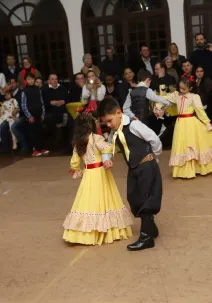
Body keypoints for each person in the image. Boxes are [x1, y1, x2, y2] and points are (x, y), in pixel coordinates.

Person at [98, 98, 163, 251]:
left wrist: (153, 157)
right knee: (134, 197)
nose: (108, 125)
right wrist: (106, 159)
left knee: (147, 198)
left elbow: (153, 139)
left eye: (109, 121)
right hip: (134, 169)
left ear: (119, 113)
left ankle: (146, 237)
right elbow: (108, 147)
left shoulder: (134, 125)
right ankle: (151, 228)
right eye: (105, 123)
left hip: (146, 165)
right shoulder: (114, 133)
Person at [63, 108, 133, 245]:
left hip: (89, 174)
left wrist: (76, 170)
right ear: (92, 124)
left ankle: (86, 233)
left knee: (88, 200)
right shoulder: (96, 138)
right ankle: (107, 230)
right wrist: (106, 159)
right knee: (104, 199)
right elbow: (107, 148)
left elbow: (74, 161)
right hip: (100, 173)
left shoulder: (79, 142)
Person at [156, 76, 212, 178]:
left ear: (190, 88)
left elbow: (200, 111)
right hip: (180, 124)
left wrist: (207, 122)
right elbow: (164, 99)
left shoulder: (194, 97)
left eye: (184, 89)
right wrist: (158, 107)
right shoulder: (176, 95)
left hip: (191, 124)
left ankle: (195, 169)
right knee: (181, 145)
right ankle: (183, 171)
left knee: (191, 145)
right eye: (180, 87)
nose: (181, 90)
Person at [21, 73, 49, 157]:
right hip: (31, 115)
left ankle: (41, 148)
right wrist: (29, 116)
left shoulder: (38, 89)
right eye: (29, 79)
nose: (31, 80)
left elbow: (41, 102)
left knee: (40, 131)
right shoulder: (24, 91)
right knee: (33, 132)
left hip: (39, 114)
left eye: (32, 79)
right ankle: (36, 149)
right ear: (25, 81)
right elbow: (23, 105)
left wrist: (43, 113)